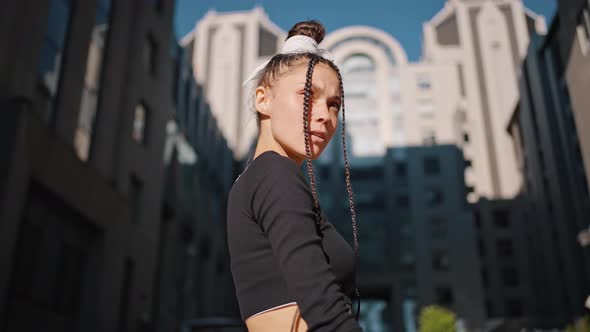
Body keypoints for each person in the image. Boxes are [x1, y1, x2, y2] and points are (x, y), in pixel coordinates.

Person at [227, 20, 362, 331]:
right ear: (263, 99)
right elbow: (322, 304)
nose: (325, 116)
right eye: (307, 96)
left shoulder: (258, 178)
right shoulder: (274, 173)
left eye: (334, 105)